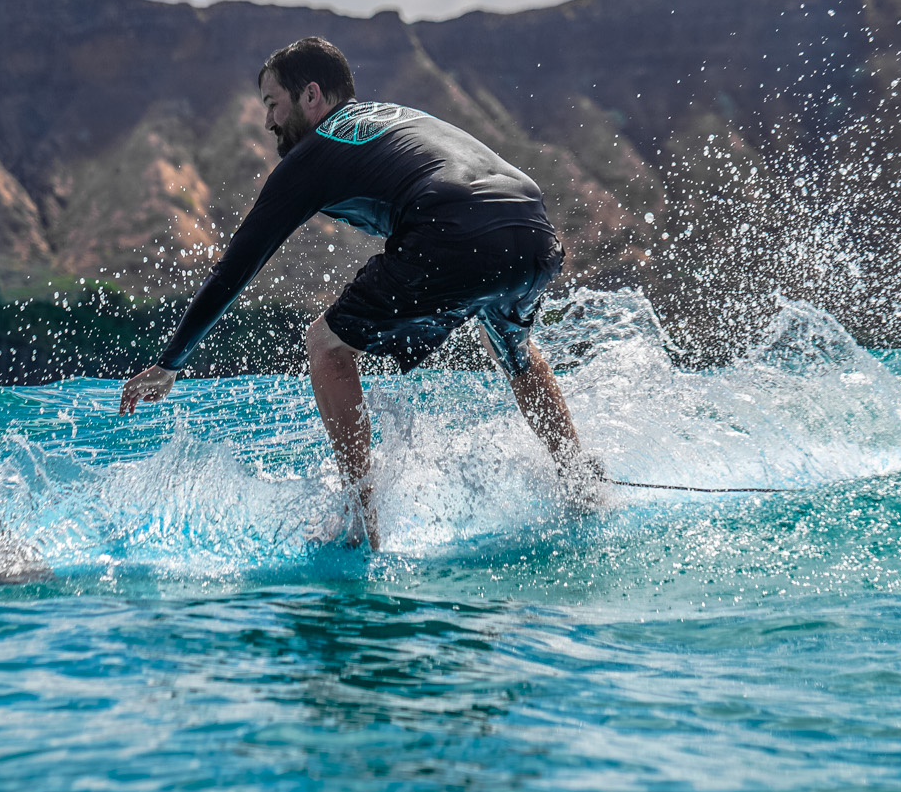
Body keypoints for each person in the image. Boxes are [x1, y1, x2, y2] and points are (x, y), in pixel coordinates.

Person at [119, 36, 601, 542]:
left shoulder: (313, 154)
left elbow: (234, 270)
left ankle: (361, 519)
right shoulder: (395, 116)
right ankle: (581, 484)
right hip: (530, 223)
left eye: (272, 104)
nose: (268, 123)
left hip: (451, 226)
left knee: (325, 345)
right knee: (513, 348)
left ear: (311, 96)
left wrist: (170, 363)